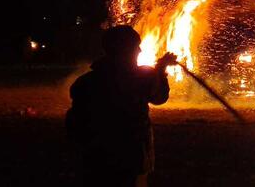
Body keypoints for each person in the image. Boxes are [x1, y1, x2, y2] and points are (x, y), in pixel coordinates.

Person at [66, 25, 177, 187]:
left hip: (94, 161)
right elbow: (159, 97)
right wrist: (161, 70)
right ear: (124, 49)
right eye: (135, 46)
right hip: (130, 158)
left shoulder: (85, 82)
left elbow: (74, 124)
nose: (139, 50)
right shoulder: (139, 79)